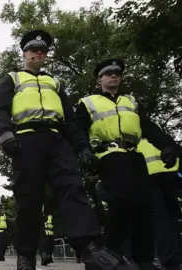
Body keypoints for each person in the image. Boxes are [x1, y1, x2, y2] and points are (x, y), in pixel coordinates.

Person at [0, 29, 124, 270]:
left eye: (43, 51)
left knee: (73, 189)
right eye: (34, 50)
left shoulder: (55, 82)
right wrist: (5, 134)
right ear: (24, 53)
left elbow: (70, 119)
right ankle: (26, 255)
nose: (38, 53)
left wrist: (82, 146)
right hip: (26, 141)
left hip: (57, 141)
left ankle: (89, 247)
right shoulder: (12, 78)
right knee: (29, 200)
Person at [74, 58, 178, 270]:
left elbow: (148, 127)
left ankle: (144, 258)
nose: (114, 76)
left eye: (117, 73)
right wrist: (83, 150)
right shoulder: (88, 102)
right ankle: (109, 251)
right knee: (122, 201)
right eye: (108, 73)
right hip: (109, 155)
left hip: (134, 156)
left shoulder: (131, 101)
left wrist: (168, 147)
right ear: (99, 80)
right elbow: (78, 130)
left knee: (144, 206)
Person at [138, 138, 182, 269]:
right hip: (170, 176)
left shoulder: (137, 137)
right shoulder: (157, 134)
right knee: (171, 219)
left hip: (151, 179)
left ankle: (169, 259)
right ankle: (174, 258)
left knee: (160, 220)